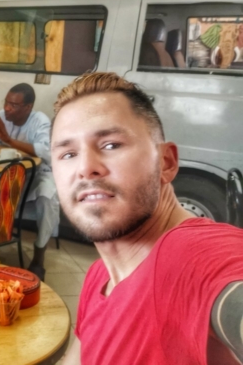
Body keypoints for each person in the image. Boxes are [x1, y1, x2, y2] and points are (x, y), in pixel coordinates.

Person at [52, 73, 243, 365]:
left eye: (111, 145)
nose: (85, 167)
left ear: (166, 162)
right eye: (68, 154)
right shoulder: (99, 276)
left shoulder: (191, 255)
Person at [0, 83, 59, 280]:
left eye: (14, 105)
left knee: (47, 197)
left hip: (35, 174)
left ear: (28, 107)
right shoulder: (2, 116)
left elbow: (46, 150)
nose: (7, 108)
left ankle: (39, 257)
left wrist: (8, 140)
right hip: (4, 174)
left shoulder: (40, 121)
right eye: (6, 102)